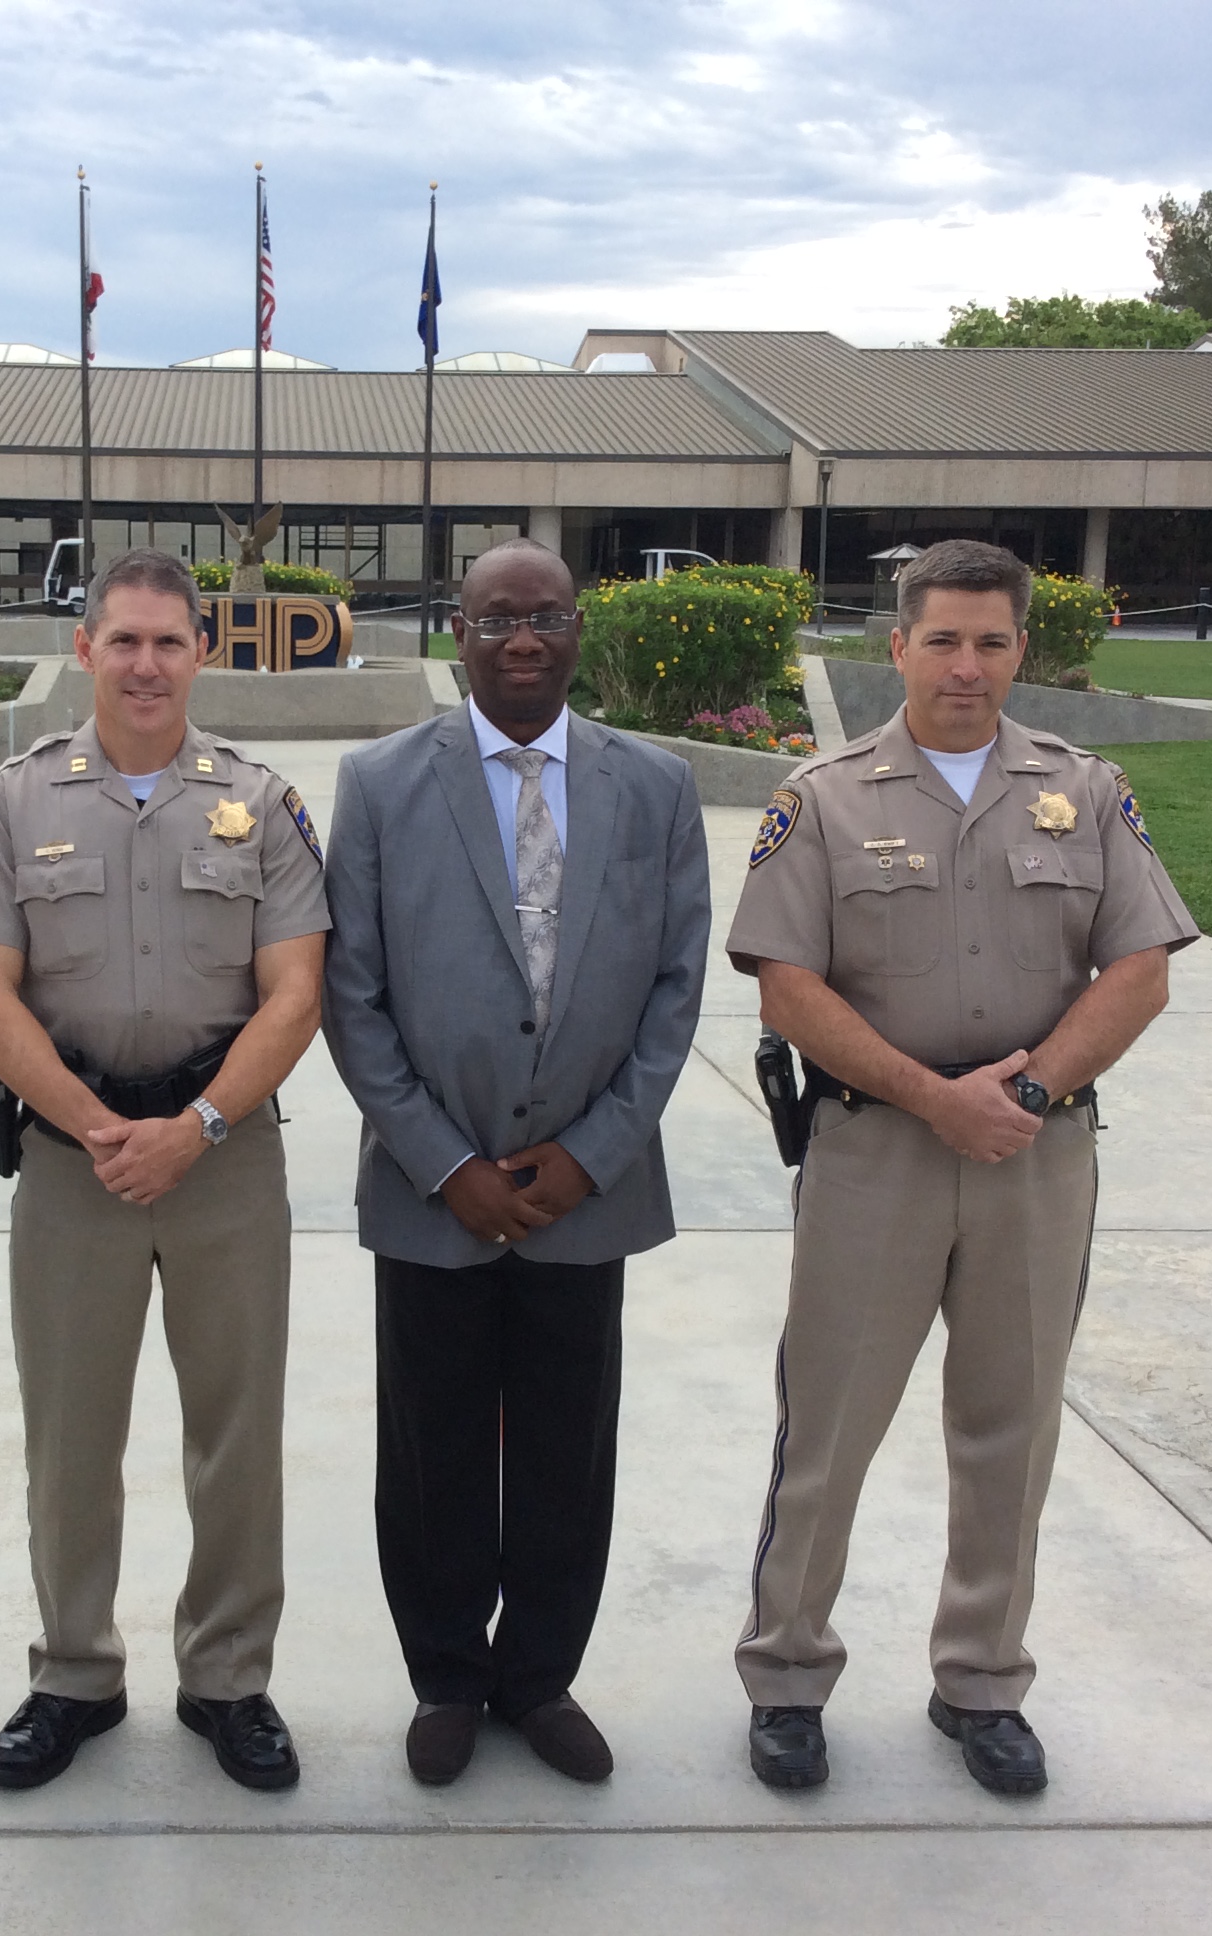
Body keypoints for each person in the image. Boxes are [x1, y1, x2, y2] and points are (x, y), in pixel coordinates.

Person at [727, 538, 1198, 1797]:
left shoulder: (1086, 791)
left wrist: (1026, 1093)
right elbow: (786, 984)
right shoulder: (824, 798)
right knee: (826, 1426)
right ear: (897, 647)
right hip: (876, 1151)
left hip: (1034, 1162)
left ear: (1021, 652)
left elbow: (1141, 967)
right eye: (943, 638)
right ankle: (785, 1673)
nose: (967, 664)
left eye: (993, 641)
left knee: (1012, 1428)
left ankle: (981, 1681)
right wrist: (937, 1096)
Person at [0, 547, 328, 1793]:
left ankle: (228, 1677)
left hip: (223, 1160)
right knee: (69, 1432)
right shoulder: (14, 802)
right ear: (84, 651)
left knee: (237, 1429)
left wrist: (198, 1126)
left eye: (171, 641)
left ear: (202, 653)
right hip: (73, 1162)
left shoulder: (263, 802)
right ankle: (72, 1671)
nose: (148, 663)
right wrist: (98, 1126)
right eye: (126, 640)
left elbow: (295, 991)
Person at [322, 537, 709, 1786]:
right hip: (435, 1190)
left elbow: (675, 988)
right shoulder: (380, 783)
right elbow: (354, 996)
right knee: (431, 1450)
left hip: (582, 1195)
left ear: (579, 628)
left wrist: (592, 1154)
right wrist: (446, 1163)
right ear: (458, 633)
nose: (524, 639)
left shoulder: (652, 785)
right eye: (497, 620)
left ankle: (539, 1675)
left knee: (563, 1445)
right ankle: (446, 1675)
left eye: (545, 615)